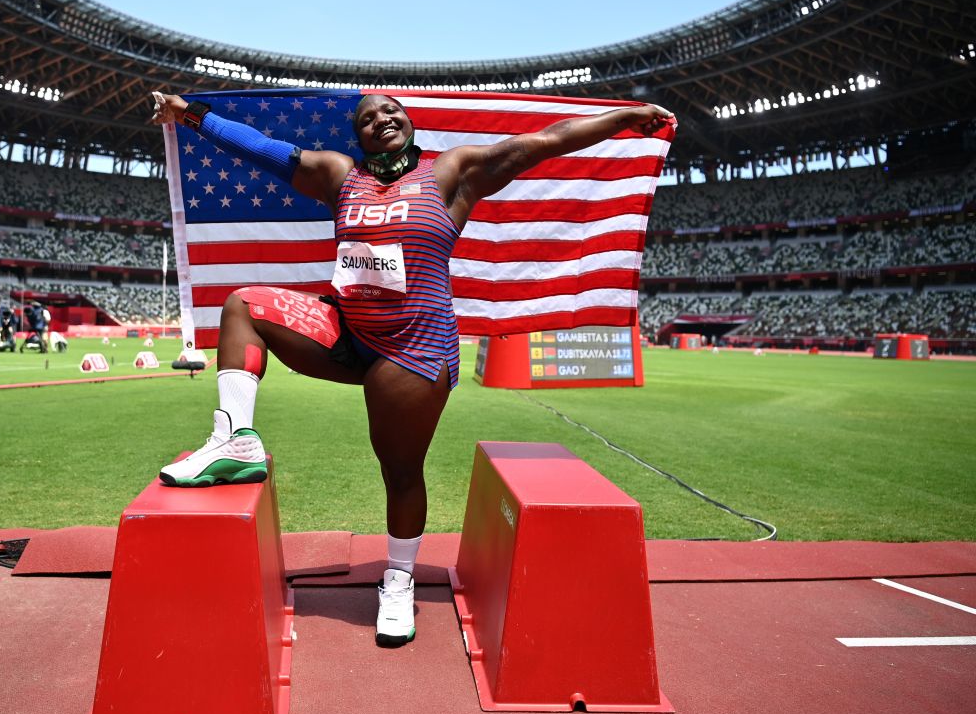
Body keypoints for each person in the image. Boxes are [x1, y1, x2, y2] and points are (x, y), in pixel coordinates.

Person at [148, 90, 672, 648]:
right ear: (358, 136)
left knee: (399, 471)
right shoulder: (339, 176)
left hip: (413, 349)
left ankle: (397, 582)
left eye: (389, 111)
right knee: (242, 306)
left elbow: (544, 142)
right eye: (367, 118)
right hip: (346, 332)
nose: (381, 119)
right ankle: (234, 440)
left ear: (409, 120)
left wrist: (622, 118)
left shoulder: (452, 171)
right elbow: (262, 148)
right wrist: (191, 115)